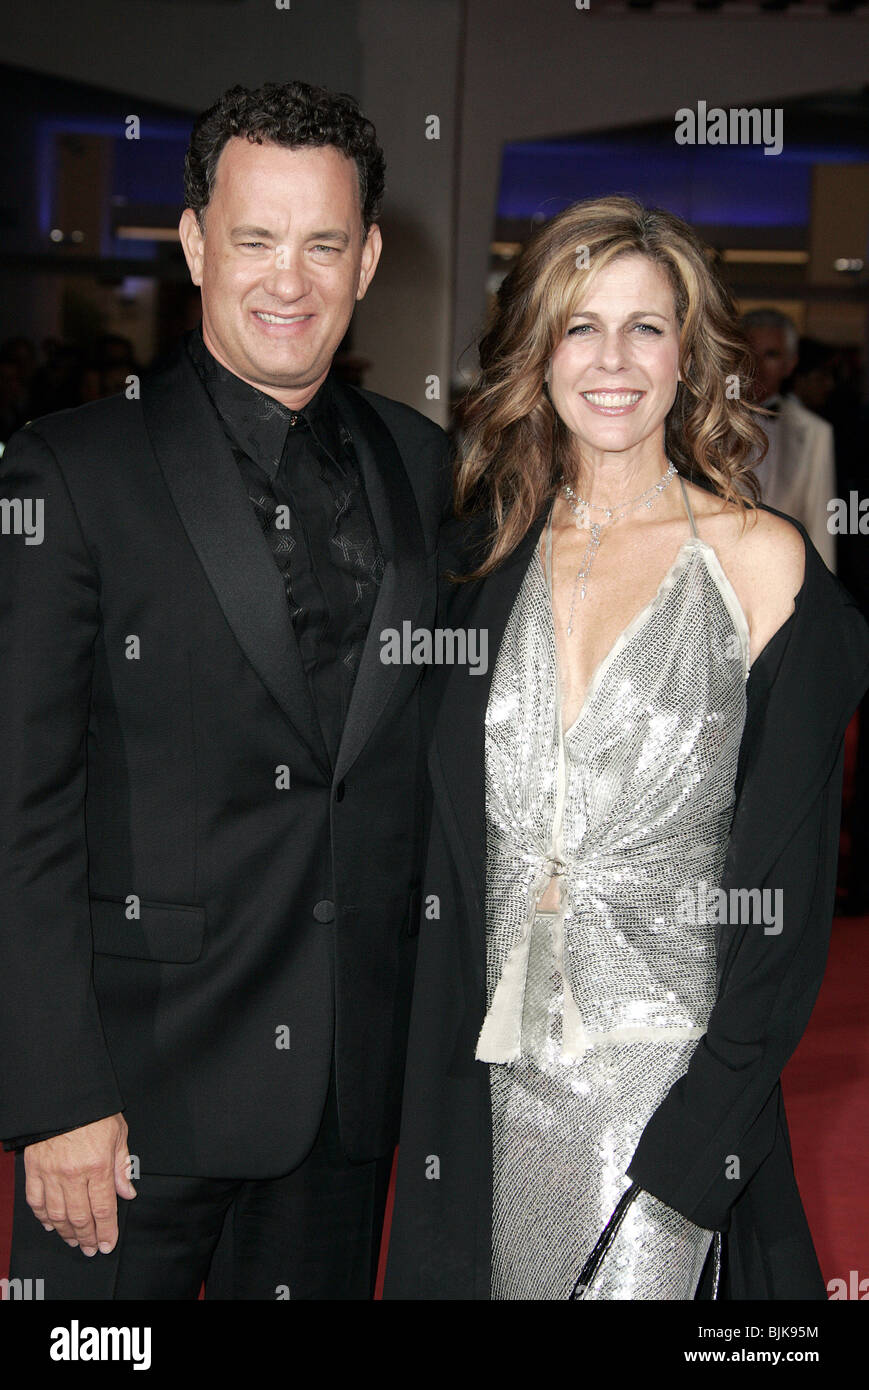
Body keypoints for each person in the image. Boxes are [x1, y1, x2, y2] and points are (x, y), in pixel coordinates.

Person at [0, 80, 449, 1300]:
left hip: (347, 1091)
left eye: (320, 244)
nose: (285, 280)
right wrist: (55, 1096)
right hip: (134, 1099)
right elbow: (19, 810)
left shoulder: (422, 462)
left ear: (364, 260)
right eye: (253, 238)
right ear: (196, 241)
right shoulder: (72, 469)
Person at [383, 196, 869, 1300]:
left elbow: (787, 913)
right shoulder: (471, 561)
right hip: (483, 1091)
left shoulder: (761, 566)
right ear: (536, 350)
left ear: (690, 355)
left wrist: (698, 1155)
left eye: (645, 327)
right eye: (578, 325)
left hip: (666, 1104)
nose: (611, 359)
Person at [741, 307, 837, 573]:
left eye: (771, 355)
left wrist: (821, 602)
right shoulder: (704, 424)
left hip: (784, 575)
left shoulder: (815, 433)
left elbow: (821, 522)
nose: (758, 367)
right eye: (750, 353)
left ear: (790, 364)